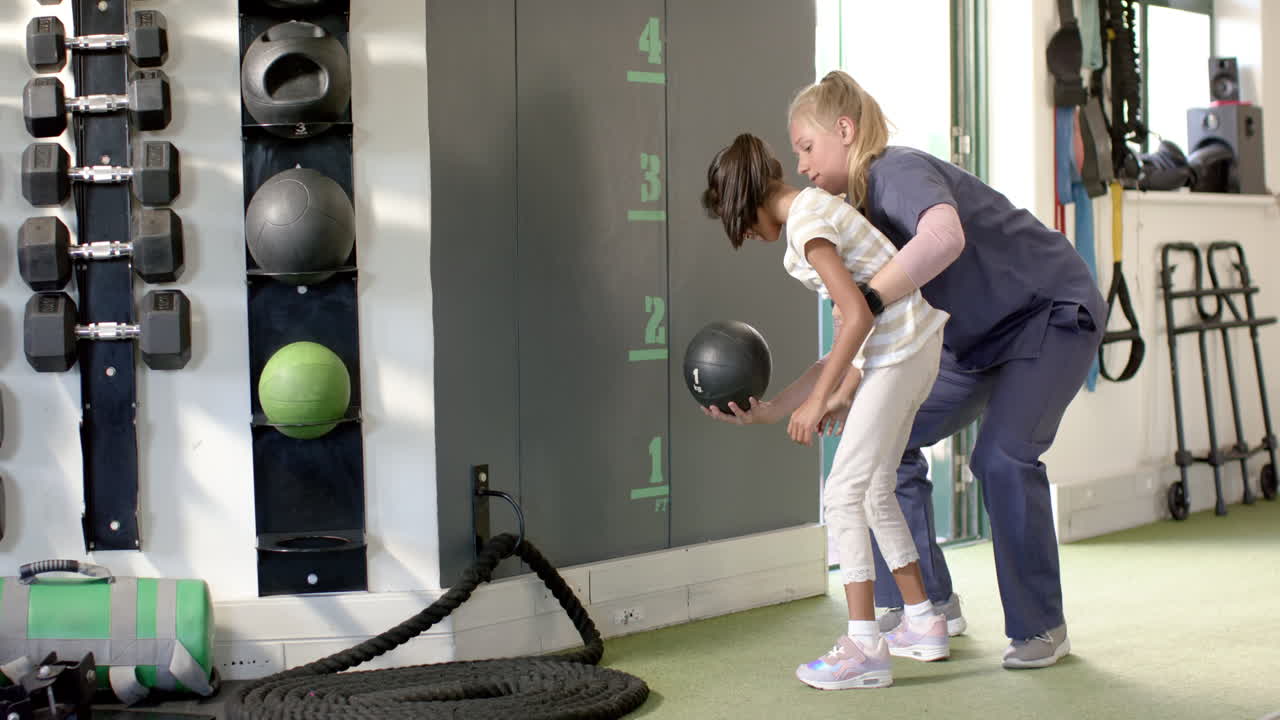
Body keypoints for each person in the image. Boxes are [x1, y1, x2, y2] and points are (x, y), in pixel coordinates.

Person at [776, 69, 1106, 669]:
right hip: (969, 341)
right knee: (881, 441)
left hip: (1047, 313)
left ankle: (1041, 627)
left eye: (806, 146)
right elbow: (890, 326)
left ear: (844, 131)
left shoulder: (895, 170)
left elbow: (944, 238)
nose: (801, 165)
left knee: (1001, 457)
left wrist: (867, 299)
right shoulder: (853, 212)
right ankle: (928, 605)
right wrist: (842, 389)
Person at [701, 133, 953, 690]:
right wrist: (773, 410)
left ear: (747, 199)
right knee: (874, 489)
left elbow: (858, 316)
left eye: (737, 222)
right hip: (911, 348)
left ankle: (864, 647)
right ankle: (923, 621)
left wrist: (819, 402)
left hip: (900, 352)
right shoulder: (814, 213)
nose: (745, 234)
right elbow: (847, 336)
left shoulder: (806, 222)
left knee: (841, 493)